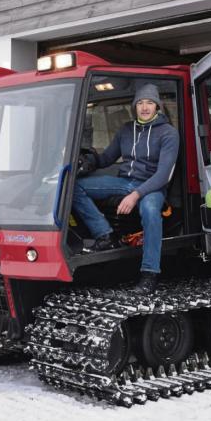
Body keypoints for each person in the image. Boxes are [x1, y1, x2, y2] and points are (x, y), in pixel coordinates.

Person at [72, 83, 179, 293]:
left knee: (150, 211)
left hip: (152, 187)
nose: (145, 107)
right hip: (125, 182)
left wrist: (135, 195)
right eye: (140, 103)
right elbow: (106, 158)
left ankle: (150, 273)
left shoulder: (168, 134)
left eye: (150, 102)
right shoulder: (126, 130)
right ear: (135, 106)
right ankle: (105, 235)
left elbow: (163, 175)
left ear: (157, 106)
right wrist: (87, 161)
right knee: (73, 187)